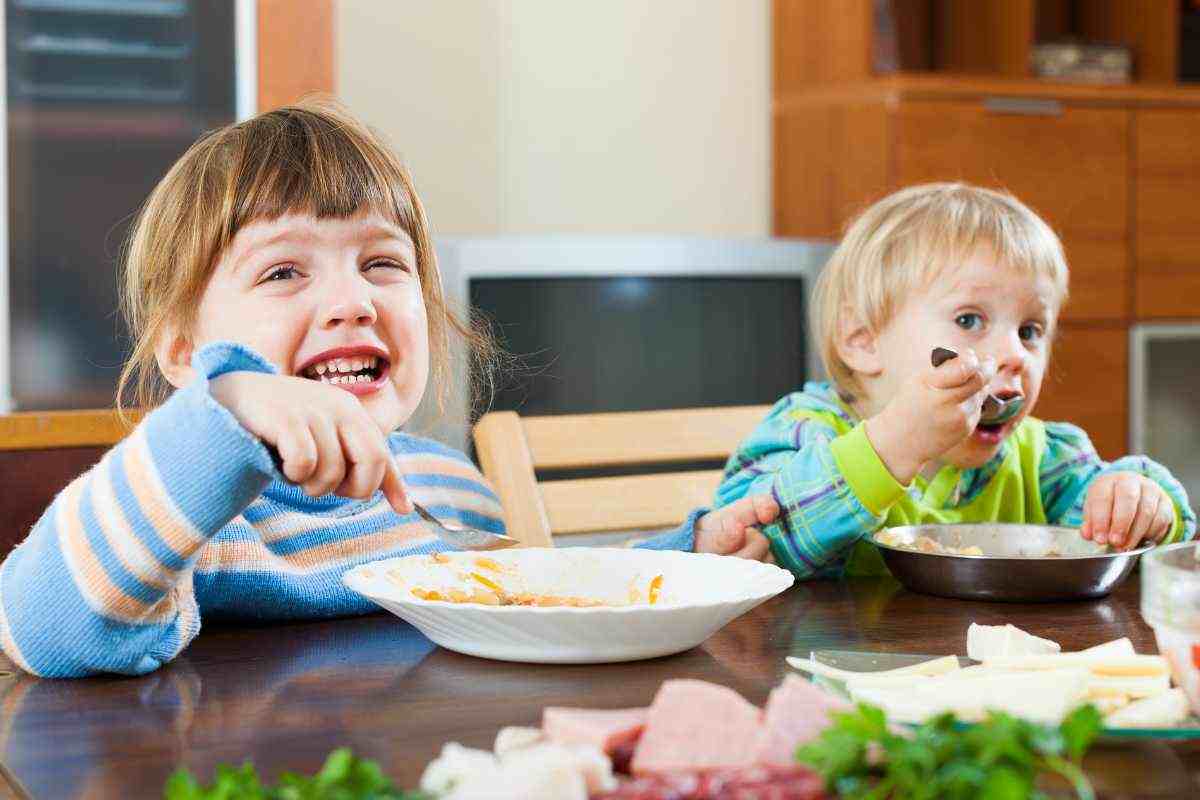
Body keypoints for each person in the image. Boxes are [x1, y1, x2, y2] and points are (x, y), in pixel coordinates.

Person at [0, 101, 777, 678]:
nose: (354, 301)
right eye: (283, 271)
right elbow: (41, 627)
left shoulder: (451, 485)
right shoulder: (194, 518)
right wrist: (227, 411)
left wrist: (690, 555)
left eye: (382, 264)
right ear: (182, 352)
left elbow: (539, 600)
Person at [716, 182, 1195, 579]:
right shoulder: (804, 430)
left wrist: (1137, 500)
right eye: (969, 320)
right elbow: (744, 540)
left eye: (1030, 330)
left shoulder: (1043, 460)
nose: (1013, 354)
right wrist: (894, 445)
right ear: (862, 339)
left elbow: (1118, 532)